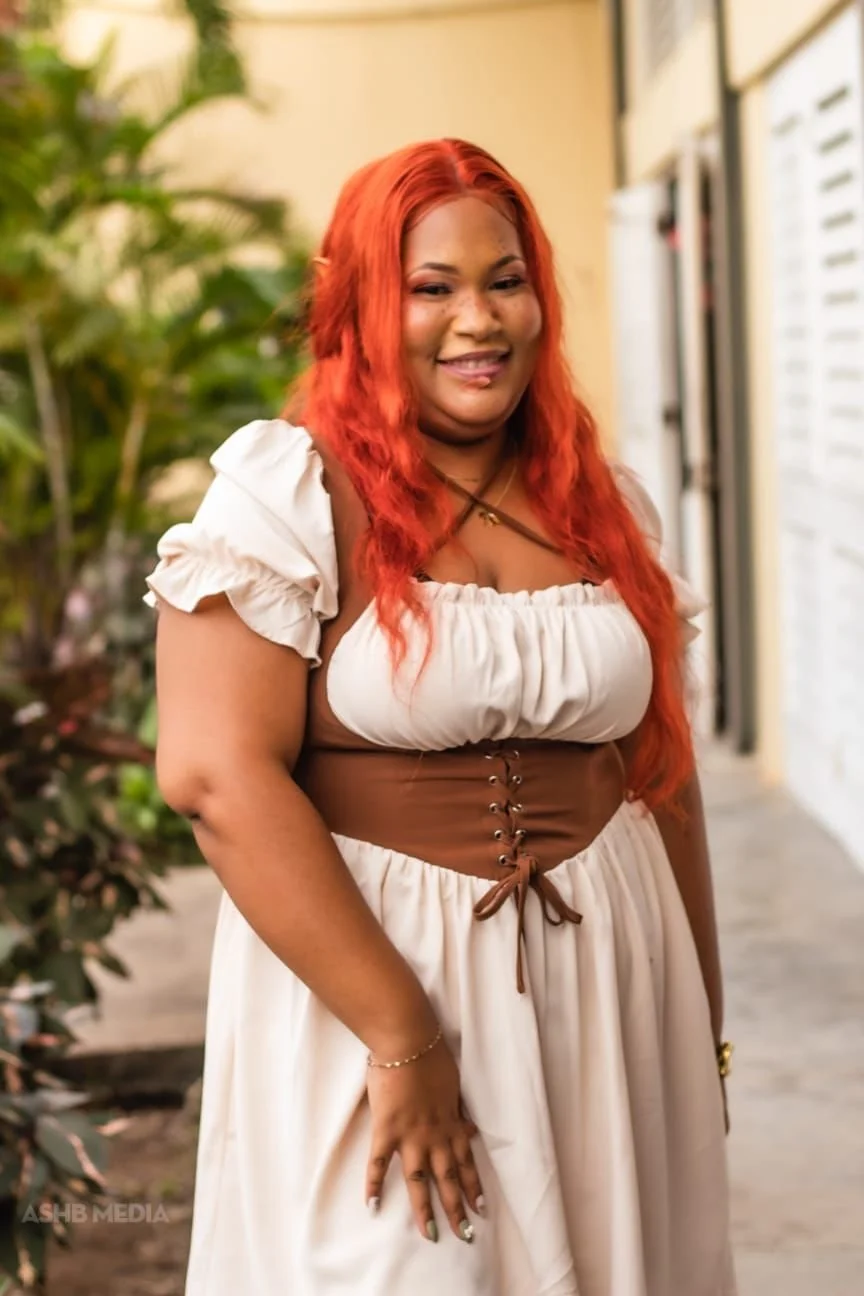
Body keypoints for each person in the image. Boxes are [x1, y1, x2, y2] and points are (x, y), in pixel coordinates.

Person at [146, 138, 736, 1296]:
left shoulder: (606, 504)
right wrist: (400, 1034)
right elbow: (215, 779)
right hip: (373, 993)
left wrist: (697, 1025)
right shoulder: (288, 495)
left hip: (610, 993)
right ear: (365, 304)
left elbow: (659, 773)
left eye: (505, 280)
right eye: (432, 287)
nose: (480, 319)